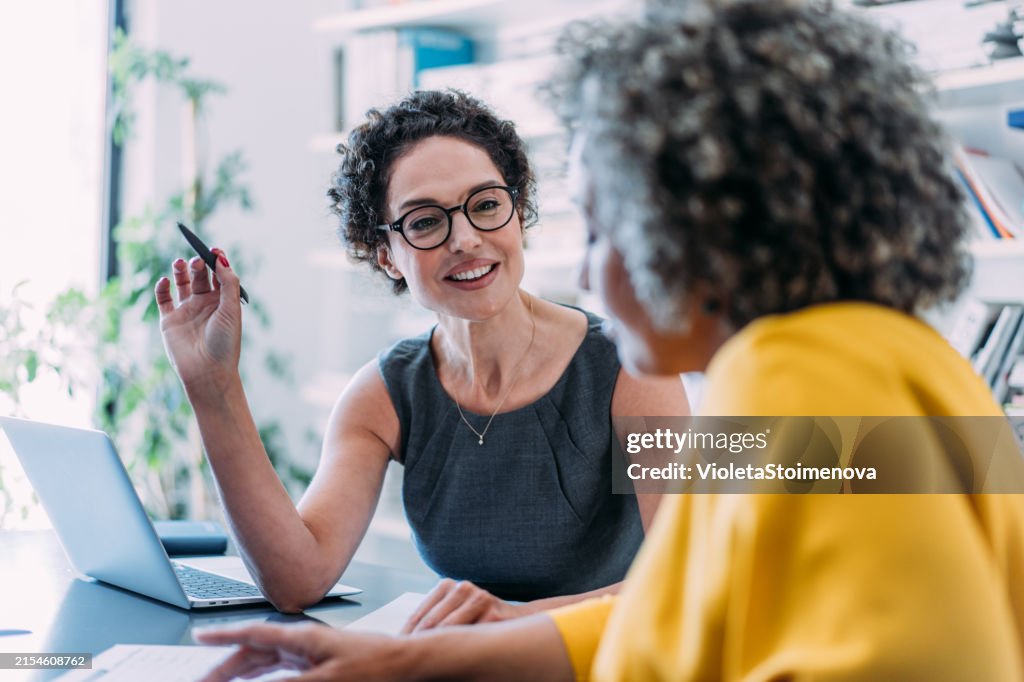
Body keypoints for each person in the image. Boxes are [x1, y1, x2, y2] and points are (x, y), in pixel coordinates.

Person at [195, 1, 1024, 680]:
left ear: (696, 228)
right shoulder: (880, 358)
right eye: (425, 223)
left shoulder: (799, 380)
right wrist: (422, 662)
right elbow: (685, 609)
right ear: (387, 251)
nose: (587, 281)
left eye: (599, 232)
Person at [154, 90, 688, 623]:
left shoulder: (636, 365)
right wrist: (212, 384)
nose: (465, 239)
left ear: (518, 214)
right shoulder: (382, 393)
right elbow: (296, 579)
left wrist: (511, 623)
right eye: (426, 221)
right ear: (385, 255)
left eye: (485, 205)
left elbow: (696, 576)